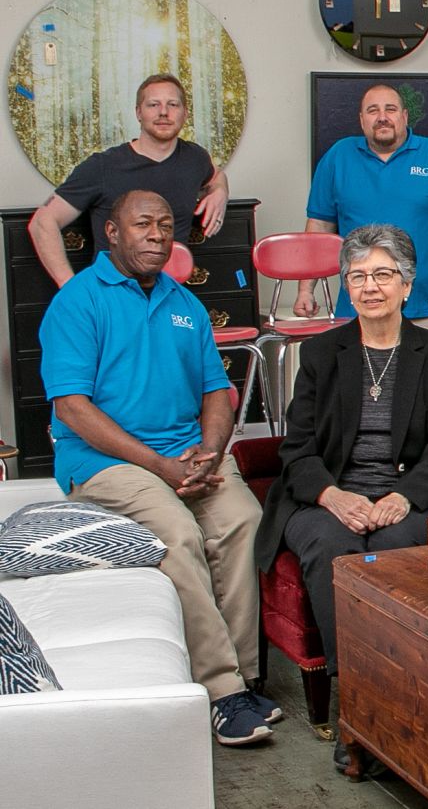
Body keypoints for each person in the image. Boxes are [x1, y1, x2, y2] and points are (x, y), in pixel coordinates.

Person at [40, 190, 277, 746]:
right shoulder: (78, 301)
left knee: (244, 518)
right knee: (176, 532)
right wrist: (160, 467)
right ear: (112, 233)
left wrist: (212, 450)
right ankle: (220, 691)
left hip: (187, 455)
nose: (156, 233)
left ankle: (245, 677)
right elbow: (71, 406)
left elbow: (216, 390)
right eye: (142, 223)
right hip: (105, 462)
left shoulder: (183, 304)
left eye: (166, 225)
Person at [257, 225, 428, 675]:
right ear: (346, 287)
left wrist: (402, 497)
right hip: (327, 498)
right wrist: (332, 496)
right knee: (334, 545)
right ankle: (355, 691)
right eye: (357, 276)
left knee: (395, 544)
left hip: (407, 497)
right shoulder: (318, 354)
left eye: (383, 274)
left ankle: (404, 680)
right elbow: (298, 448)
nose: (370, 286)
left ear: (407, 285)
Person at [299, 83, 428, 339]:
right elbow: (319, 227)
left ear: (404, 116)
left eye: (390, 109)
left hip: (427, 311)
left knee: (426, 380)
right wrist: (306, 290)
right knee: (359, 380)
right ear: (361, 120)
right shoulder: (338, 158)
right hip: (358, 311)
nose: (382, 117)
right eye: (373, 111)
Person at [28, 73, 229, 287]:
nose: (163, 112)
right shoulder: (102, 166)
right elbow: (42, 222)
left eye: (172, 104)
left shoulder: (195, 158)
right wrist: (70, 287)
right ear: (138, 113)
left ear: (185, 113)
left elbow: (217, 176)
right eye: (153, 105)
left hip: (169, 292)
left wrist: (220, 192)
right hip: (114, 295)